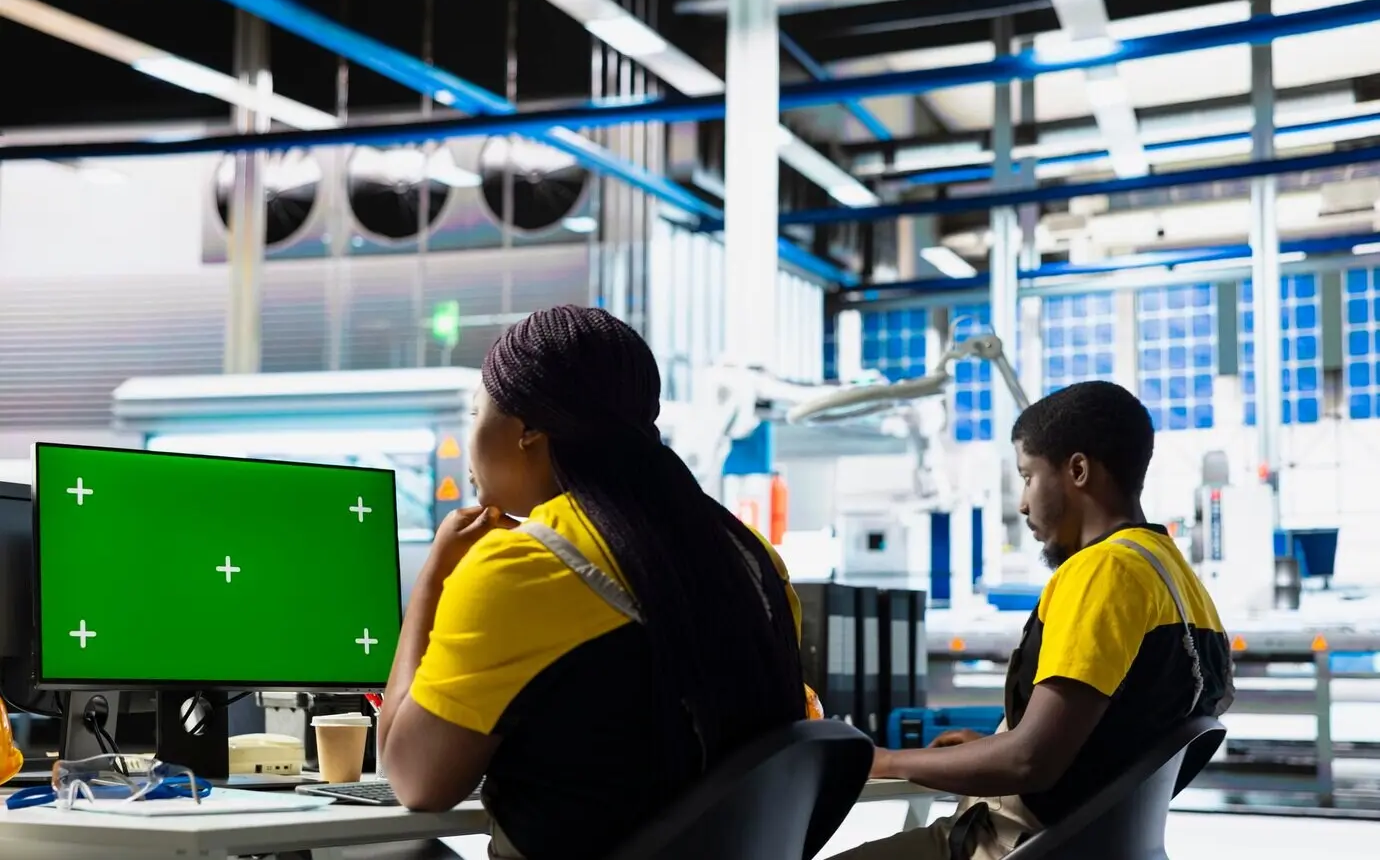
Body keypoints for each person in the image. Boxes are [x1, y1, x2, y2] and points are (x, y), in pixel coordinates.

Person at [376, 305, 808, 860]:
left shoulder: (525, 564)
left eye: (477, 409)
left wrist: (434, 578)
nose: (470, 436)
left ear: (528, 429)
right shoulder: (751, 556)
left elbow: (414, 780)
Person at [836, 380, 1234, 860]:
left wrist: (883, 760)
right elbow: (1116, 736)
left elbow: (1030, 762)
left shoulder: (1101, 571)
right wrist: (991, 746)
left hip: (1011, 847)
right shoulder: (1174, 575)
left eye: (1028, 477)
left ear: (1078, 470)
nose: (1023, 503)